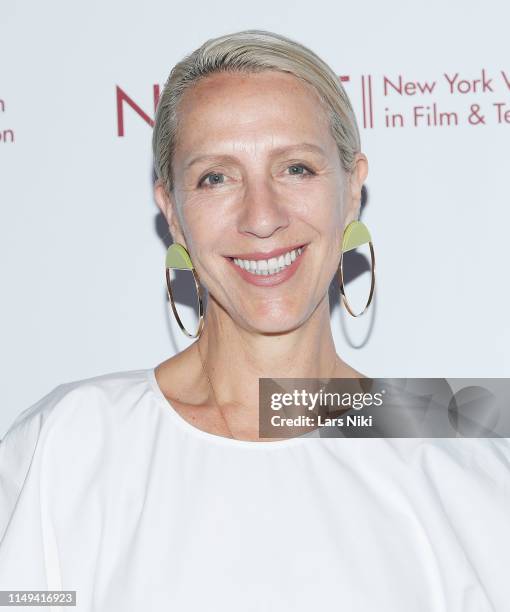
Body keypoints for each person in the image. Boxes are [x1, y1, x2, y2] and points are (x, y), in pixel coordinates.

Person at [1, 29, 509, 612]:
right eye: (216, 176)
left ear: (352, 191)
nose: (262, 217)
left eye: (296, 168)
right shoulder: (70, 445)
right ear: (172, 210)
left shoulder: (469, 454)